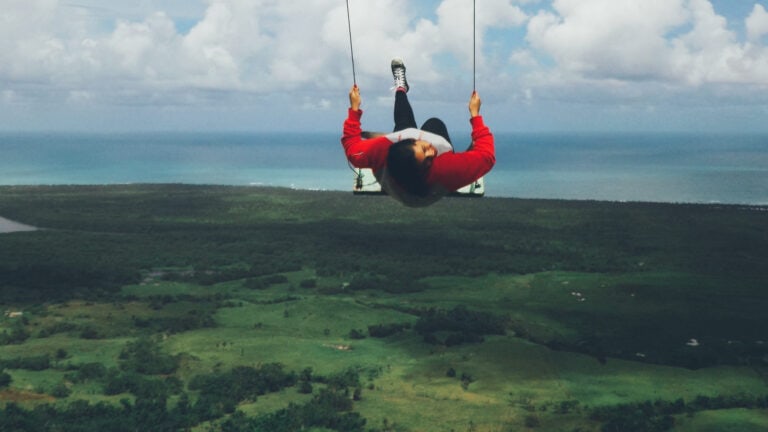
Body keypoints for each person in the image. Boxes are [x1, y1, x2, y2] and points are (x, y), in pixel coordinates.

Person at [341, 58, 495, 207]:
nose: (432, 152)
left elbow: (351, 148)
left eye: (423, 149)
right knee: (434, 123)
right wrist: (475, 115)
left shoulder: (382, 151)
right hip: (430, 192)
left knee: (403, 123)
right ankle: (459, 153)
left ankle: (401, 88)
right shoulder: (444, 169)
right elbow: (487, 158)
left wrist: (354, 108)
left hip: (395, 184)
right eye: (428, 161)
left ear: (406, 141)